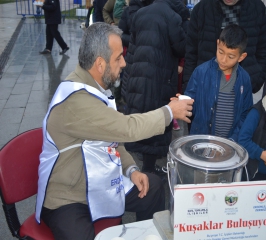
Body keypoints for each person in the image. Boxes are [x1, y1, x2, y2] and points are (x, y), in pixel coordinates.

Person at [35, 23, 194, 240]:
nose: (124, 63)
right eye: (118, 58)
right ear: (100, 63)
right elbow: (126, 128)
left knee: (153, 186)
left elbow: (112, 138)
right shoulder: (76, 100)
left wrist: (131, 170)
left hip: (99, 182)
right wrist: (168, 112)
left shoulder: (95, 87)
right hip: (69, 197)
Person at [122, 0, 189, 175]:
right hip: (160, 78)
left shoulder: (140, 13)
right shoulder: (173, 16)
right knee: (158, 118)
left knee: (144, 115)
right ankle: (150, 170)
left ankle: (146, 167)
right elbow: (181, 48)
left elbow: (132, 46)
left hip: (139, 73)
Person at [183, 0, 266, 94]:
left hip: (243, 87)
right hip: (205, 86)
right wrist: (189, 85)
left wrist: (257, 78)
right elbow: (191, 52)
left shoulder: (257, 8)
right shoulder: (201, 9)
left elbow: (262, 48)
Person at [184, 24, 253, 141]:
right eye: (221, 52)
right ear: (217, 44)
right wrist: (183, 103)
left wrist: (234, 138)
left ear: (241, 57)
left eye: (231, 56)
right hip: (202, 139)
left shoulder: (244, 79)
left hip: (229, 143)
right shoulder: (201, 72)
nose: (224, 59)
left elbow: (246, 113)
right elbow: (191, 103)